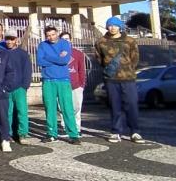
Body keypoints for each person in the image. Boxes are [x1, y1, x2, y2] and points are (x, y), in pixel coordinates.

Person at [95, 16, 144, 144]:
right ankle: (116, 131)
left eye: (115, 25)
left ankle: (135, 131)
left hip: (128, 78)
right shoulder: (101, 42)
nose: (112, 28)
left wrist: (127, 69)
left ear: (120, 27)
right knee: (114, 106)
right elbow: (99, 59)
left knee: (132, 105)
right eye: (110, 25)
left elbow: (135, 58)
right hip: (111, 79)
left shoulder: (130, 41)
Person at [36, 26, 81, 145]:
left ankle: (73, 134)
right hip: (48, 80)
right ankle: (51, 134)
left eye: (53, 34)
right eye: (48, 35)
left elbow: (65, 60)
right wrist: (57, 58)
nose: (51, 37)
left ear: (57, 33)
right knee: (49, 107)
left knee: (67, 107)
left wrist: (48, 57)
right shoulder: (42, 45)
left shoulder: (65, 43)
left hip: (63, 80)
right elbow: (40, 61)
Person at [4, 30, 33, 144]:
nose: (9, 41)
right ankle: (8, 134)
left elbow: (27, 70)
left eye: (12, 39)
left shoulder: (22, 54)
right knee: (7, 112)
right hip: (6, 88)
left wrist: (24, 86)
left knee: (22, 111)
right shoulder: (3, 53)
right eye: (7, 39)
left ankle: (23, 134)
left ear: (16, 40)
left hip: (20, 87)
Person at [60, 31, 87, 133]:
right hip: (62, 85)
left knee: (76, 108)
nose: (65, 41)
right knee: (62, 108)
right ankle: (65, 127)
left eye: (67, 39)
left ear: (70, 40)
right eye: (63, 39)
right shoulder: (58, 53)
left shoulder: (78, 53)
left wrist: (81, 85)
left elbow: (81, 70)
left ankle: (77, 127)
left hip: (76, 85)